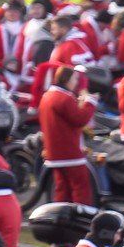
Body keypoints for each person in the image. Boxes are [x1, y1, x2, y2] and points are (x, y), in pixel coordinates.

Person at [38, 66, 96, 203]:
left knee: (62, 188)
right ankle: (80, 218)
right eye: (74, 78)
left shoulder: (47, 96)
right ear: (67, 79)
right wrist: (90, 103)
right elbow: (80, 119)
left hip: (54, 152)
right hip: (70, 153)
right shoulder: (64, 98)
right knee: (80, 188)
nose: (76, 82)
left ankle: (61, 218)